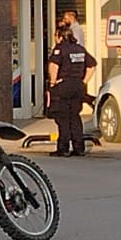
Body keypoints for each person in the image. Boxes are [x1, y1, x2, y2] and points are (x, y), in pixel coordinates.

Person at [45, 23, 97, 157]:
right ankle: (79, 148)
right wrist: (84, 81)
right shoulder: (80, 49)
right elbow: (92, 66)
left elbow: (54, 66)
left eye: (56, 36)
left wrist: (52, 82)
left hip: (63, 86)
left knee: (63, 117)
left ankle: (63, 148)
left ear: (60, 36)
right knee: (74, 117)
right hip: (78, 86)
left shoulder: (60, 49)